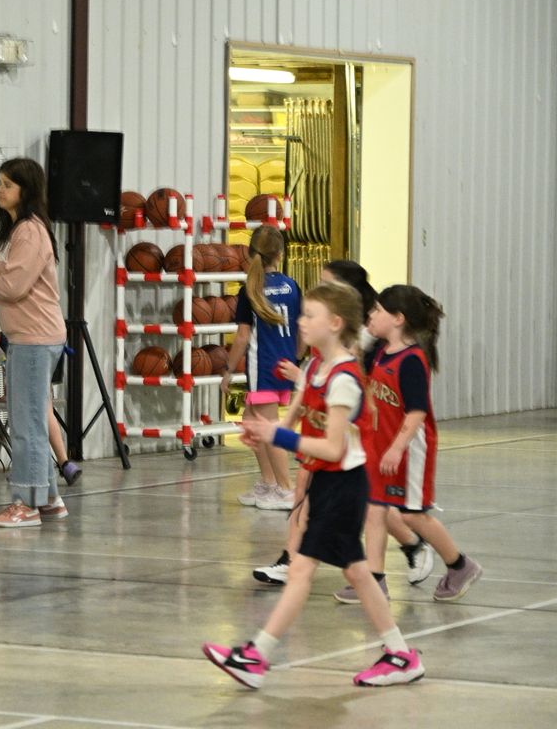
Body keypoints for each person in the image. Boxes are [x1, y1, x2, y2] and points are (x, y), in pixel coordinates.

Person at [203, 283, 425, 689]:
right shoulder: (314, 369)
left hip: (345, 484)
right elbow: (293, 417)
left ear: (335, 323)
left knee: (302, 570)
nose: (300, 322)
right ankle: (400, 654)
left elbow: (333, 446)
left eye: (309, 315)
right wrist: (263, 431)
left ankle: (255, 656)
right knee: (357, 573)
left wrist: (278, 436)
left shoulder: (344, 379)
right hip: (327, 481)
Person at [254, 261, 431, 588]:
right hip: (322, 438)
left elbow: (352, 398)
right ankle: (291, 561)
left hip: (350, 447)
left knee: (371, 514)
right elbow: (305, 395)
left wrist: (285, 430)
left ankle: (409, 545)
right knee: (309, 501)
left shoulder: (364, 341)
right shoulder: (321, 349)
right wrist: (272, 429)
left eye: (327, 283)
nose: (303, 319)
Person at [339, 285, 481, 603]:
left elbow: (416, 412)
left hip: (410, 449)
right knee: (374, 509)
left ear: (398, 318)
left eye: (378, 311)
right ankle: (375, 581)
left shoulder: (412, 360)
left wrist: (397, 447)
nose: (371, 315)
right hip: (380, 445)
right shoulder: (379, 351)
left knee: (412, 516)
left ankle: (460, 566)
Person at [0, 157, 68, 527]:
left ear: (27, 189)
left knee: (26, 424)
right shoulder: (16, 230)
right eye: (0, 182)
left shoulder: (30, 232)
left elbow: (12, 286)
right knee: (30, 419)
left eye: (8, 184)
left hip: (35, 338)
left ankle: (26, 503)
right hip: (26, 336)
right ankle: (49, 498)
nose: (0, 190)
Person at [221, 224, 302, 511]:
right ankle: (269, 483)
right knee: (250, 420)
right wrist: (296, 358)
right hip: (285, 365)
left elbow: (243, 337)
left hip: (263, 367)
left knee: (267, 427)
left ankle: (286, 489)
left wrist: (228, 370)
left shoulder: (251, 290)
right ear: (280, 254)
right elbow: (302, 329)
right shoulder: (292, 286)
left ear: (250, 253)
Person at [0, 302, 81, 486]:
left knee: (26, 421)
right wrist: (7, 391)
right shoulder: (6, 312)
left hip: (32, 358)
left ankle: (32, 470)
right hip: (45, 351)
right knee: (46, 412)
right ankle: (65, 463)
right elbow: (10, 355)